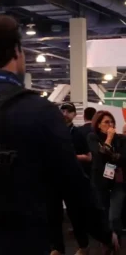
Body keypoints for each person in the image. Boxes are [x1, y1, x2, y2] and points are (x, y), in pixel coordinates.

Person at [0, 15, 115, 254]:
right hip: (19, 241)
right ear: (17, 52)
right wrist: (104, 232)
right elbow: (73, 183)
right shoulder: (38, 110)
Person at [49, 103, 92, 255]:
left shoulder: (78, 133)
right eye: (63, 111)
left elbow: (89, 157)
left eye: (69, 111)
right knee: (54, 215)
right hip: (53, 179)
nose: (65, 114)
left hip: (73, 179)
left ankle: (83, 246)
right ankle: (57, 248)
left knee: (75, 214)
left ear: (74, 114)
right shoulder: (51, 132)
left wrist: (72, 157)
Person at [88, 110, 126, 247]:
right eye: (106, 122)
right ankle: (109, 243)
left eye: (112, 122)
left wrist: (111, 155)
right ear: (98, 125)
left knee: (114, 215)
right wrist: (109, 139)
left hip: (117, 181)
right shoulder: (92, 137)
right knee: (103, 214)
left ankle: (116, 238)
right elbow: (99, 155)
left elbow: (123, 158)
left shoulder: (121, 139)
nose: (110, 125)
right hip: (100, 181)